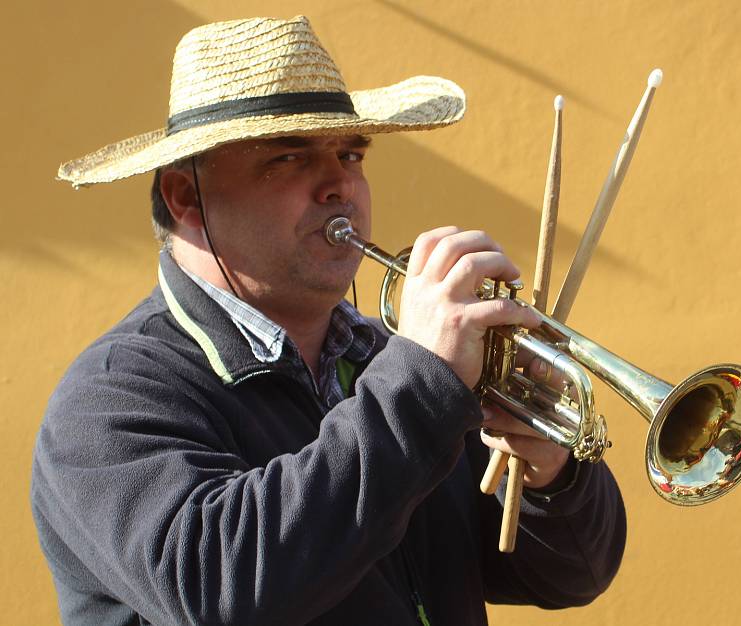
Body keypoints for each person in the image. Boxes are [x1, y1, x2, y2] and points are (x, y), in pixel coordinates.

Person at [31, 16, 626, 626]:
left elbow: (568, 576)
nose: (341, 184)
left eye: (350, 153)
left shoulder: (387, 361)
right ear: (187, 195)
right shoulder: (108, 400)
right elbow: (221, 591)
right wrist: (421, 383)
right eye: (289, 157)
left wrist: (552, 477)